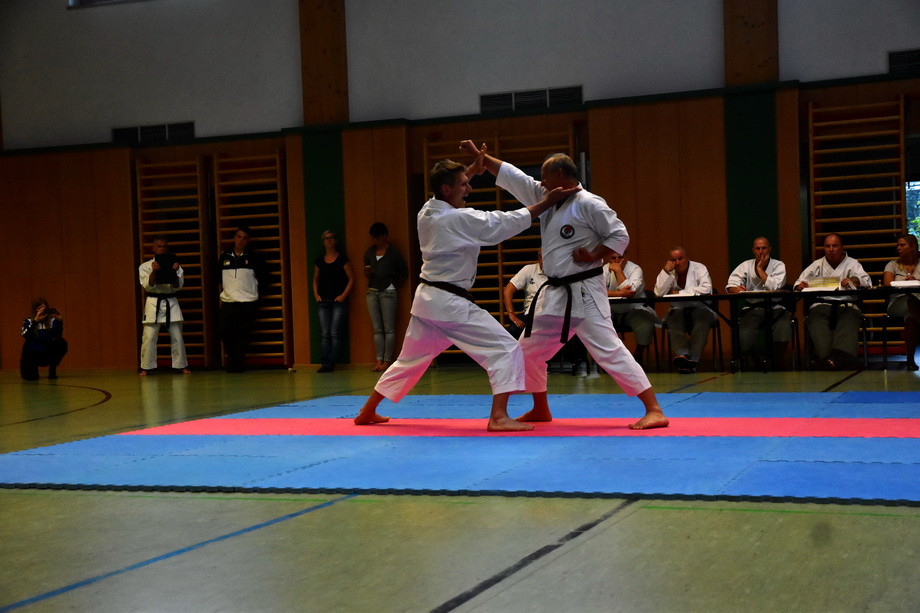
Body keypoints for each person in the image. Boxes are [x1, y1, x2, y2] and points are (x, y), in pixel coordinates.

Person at [354, 153, 581, 431]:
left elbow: (451, 193)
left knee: (409, 361)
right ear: (447, 190)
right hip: (451, 304)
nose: (469, 188)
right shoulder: (457, 219)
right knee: (506, 348)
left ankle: (367, 412)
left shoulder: (428, 211)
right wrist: (547, 203)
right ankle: (498, 417)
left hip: (428, 302)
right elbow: (501, 223)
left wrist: (472, 171)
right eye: (463, 184)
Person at [459, 140, 668, 430]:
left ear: (559, 175)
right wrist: (482, 158)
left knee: (608, 350)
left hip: (584, 292)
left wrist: (594, 255)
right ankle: (540, 408)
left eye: (545, 177)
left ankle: (654, 409)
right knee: (527, 351)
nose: (540, 183)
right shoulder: (549, 197)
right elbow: (515, 177)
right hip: (556, 295)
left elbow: (619, 236)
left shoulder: (589, 203)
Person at [794, 233, 871, 370]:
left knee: (850, 318)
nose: (831, 249)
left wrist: (854, 281)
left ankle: (837, 356)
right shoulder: (816, 265)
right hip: (822, 304)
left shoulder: (853, 264)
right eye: (827, 246)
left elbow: (866, 281)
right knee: (815, 320)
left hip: (846, 303)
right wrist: (800, 286)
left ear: (842, 247)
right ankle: (828, 357)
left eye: (835, 246)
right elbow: (799, 282)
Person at [725, 237, 791, 367]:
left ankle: (778, 360)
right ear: (753, 250)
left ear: (770, 249)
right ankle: (755, 359)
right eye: (758, 248)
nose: (761, 251)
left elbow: (774, 287)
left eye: (764, 248)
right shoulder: (745, 265)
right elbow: (730, 285)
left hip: (775, 307)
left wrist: (760, 269)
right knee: (744, 332)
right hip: (753, 308)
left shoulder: (778, 265)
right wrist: (735, 289)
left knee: (784, 324)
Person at [654, 246, 716, 374]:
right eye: (674, 260)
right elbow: (658, 293)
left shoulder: (699, 268)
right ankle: (683, 356)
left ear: (686, 257)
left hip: (700, 307)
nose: (677, 262)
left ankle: (692, 360)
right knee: (673, 320)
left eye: (680, 258)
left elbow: (706, 288)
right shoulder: (669, 271)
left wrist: (680, 292)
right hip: (678, 308)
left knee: (701, 321)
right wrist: (665, 271)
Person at [138, 237, 190, 375]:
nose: (162, 249)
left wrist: (174, 271)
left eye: (164, 247)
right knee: (149, 337)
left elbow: (177, 286)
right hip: (153, 302)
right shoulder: (145, 266)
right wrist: (154, 271)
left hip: (171, 301)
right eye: (159, 247)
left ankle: (181, 365)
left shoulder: (176, 266)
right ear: (153, 248)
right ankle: (146, 367)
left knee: (177, 335)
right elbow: (148, 285)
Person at [219, 226, 268, 373]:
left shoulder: (254, 257)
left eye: (244, 238)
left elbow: (264, 278)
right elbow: (218, 277)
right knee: (224, 330)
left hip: (247, 301)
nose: (241, 240)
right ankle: (232, 357)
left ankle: (238, 363)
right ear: (234, 238)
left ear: (248, 240)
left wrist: (256, 293)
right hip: (228, 300)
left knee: (242, 333)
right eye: (239, 237)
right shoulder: (224, 256)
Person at [364, 222, 408, 372]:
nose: (375, 240)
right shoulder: (369, 252)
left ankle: (387, 360)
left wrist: (394, 284)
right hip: (372, 291)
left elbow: (404, 271)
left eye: (377, 237)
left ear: (384, 236)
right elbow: (366, 271)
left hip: (388, 291)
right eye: (373, 238)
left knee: (389, 329)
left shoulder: (393, 252)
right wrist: (368, 273)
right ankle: (378, 359)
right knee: (377, 329)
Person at [605, 251, 660, 367]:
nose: (616, 261)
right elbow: (597, 291)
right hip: (611, 310)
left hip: (634, 309)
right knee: (597, 325)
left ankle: (638, 355)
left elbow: (630, 292)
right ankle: (608, 361)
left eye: (620, 257)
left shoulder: (635, 269)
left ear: (626, 257)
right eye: (613, 258)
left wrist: (618, 271)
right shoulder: (604, 269)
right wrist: (618, 293)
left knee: (645, 324)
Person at [314, 229, 354, 373]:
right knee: (325, 333)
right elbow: (315, 279)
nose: (329, 240)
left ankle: (331, 362)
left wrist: (343, 295)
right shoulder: (319, 261)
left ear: (335, 240)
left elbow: (351, 278)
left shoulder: (342, 259)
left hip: (338, 301)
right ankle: (324, 362)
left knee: (334, 332)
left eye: (331, 238)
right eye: (326, 238)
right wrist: (316, 294)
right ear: (323, 242)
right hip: (323, 300)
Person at [882, 233, 920, 370]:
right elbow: (887, 283)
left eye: (902, 245)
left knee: (910, 317)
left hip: (917, 303)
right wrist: (905, 283)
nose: (898, 248)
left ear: (912, 247)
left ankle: (910, 360)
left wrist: (917, 281)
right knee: (910, 302)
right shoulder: (892, 265)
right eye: (897, 245)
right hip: (897, 302)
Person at [503, 250, 548, 339]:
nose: (543, 261)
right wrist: (511, 314)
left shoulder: (560, 272)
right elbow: (508, 290)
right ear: (538, 257)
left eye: (546, 257)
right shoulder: (529, 270)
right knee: (509, 333)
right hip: (530, 315)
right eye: (541, 257)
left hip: (552, 316)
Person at [21, 297, 68, 381]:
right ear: (35, 310)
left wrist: (60, 321)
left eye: (44, 309)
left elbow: (57, 336)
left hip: (48, 351)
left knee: (61, 343)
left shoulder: (52, 320)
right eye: (39, 309)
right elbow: (26, 335)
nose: (42, 311)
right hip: (33, 353)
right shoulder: (28, 321)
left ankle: (52, 369)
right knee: (30, 378)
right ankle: (32, 369)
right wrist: (35, 321)